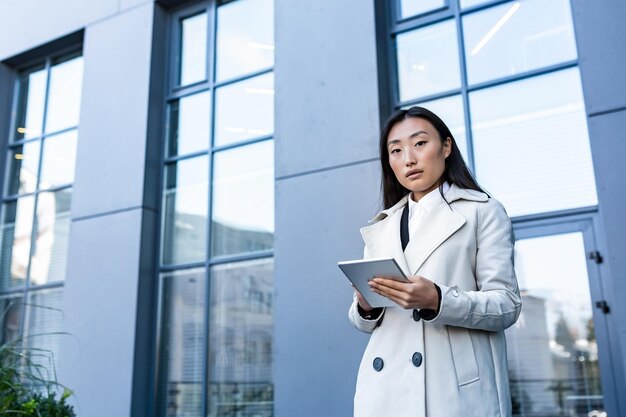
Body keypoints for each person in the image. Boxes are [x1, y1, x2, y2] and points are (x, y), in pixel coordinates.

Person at [348, 106, 522, 417]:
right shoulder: (382, 226)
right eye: (396, 150)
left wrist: (438, 299)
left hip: (452, 392)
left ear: (446, 146)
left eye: (419, 143)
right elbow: (363, 323)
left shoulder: (482, 211)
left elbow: (506, 305)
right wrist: (365, 306)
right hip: (385, 390)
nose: (408, 159)